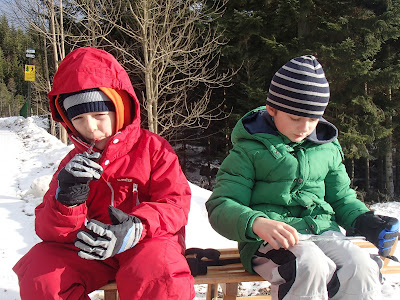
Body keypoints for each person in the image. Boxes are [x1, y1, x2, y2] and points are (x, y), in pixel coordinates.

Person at [206, 55, 399, 300]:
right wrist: (256, 222)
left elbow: (341, 198)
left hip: (324, 233)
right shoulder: (248, 151)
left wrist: (363, 220)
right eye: (295, 118)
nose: (305, 127)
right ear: (272, 109)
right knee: (309, 266)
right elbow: (221, 205)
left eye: (313, 119)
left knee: (362, 266)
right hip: (269, 242)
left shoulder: (326, 149)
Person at [13, 47, 195, 300]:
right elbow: (49, 231)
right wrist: (67, 200)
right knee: (40, 269)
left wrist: (136, 227)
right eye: (78, 119)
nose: (90, 127)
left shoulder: (153, 149)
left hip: (145, 244)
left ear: (119, 108)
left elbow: (175, 203)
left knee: (158, 271)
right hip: (91, 250)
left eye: (99, 115)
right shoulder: (71, 163)